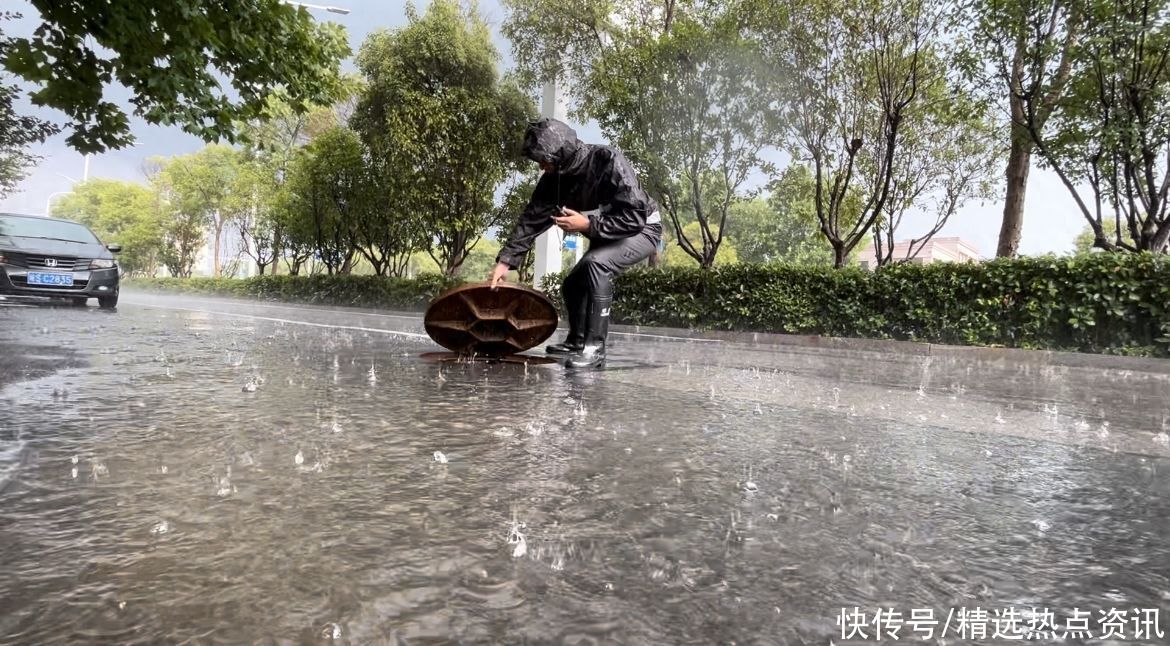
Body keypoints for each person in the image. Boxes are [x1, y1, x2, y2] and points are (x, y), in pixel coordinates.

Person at [489, 118, 662, 369]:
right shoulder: (555, 178)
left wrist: (588, 226)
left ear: (562, 154)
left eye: (544, 160)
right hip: (607, 231)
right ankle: (577, 340)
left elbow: (635, 217)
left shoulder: (608, 160)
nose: (541, 166)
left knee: (596, 266)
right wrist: (506, 261)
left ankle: (594, 350)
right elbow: (531, 218)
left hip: (643, 227)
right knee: (572, 285)